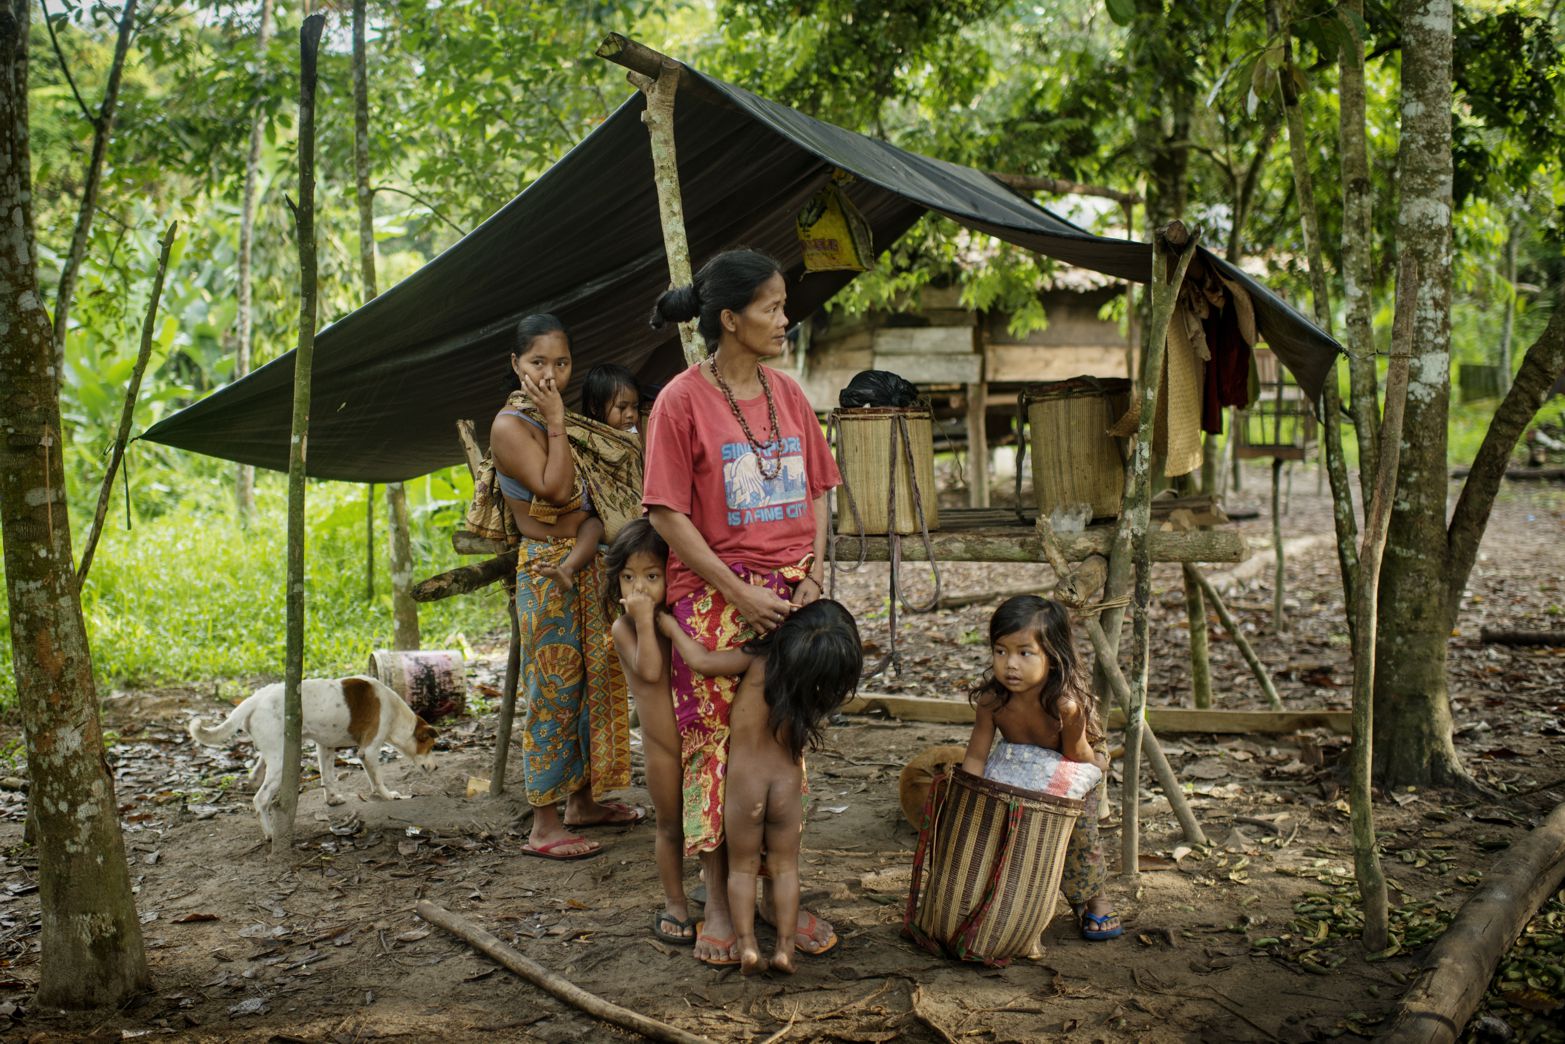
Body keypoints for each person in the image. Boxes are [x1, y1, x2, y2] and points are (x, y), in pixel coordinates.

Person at [641, 248, 842, 966]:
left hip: (791, 601)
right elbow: (665, 514)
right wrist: (736, 591)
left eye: (783, 306)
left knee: (782, 751)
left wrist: (813, 574)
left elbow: (818, 491)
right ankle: (721, 903)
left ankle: (779, 891)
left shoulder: (789, 393)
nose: (785, 320)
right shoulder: (679, 401)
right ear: (729, 319)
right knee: (715, 752)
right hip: (715, 599)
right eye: (771, 307)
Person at [490, 314, 642, 861]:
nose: (550, 374)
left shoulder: (562, 420)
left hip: (589, 566)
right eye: (538, 362)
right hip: (547, 571)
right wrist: (556, 420)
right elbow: (556, 490)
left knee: (593, 685)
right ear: (516, 364)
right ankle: (544, 824)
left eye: (561, 363)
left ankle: (583, 802)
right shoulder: (512, 426)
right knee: (553, 691)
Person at [661, 600, 862, 974]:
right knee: (785, 868)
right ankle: (785, 949)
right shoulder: (814, 683)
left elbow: (702, 661)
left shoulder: (761, 658)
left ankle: (748, 946)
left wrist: (670, 625)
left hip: (746, 787)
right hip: (787, 787)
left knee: (741, 869)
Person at [959, 595, 1122, 941]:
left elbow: (1077, 755)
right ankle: (1008, 898)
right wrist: (969, 799)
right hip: (1020, 765)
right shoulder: (992, 701)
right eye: (1000, 651)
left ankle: (1094, 898)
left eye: (1024, 653)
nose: (1010, 664)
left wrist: (1095, 763)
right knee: (999, 829)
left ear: (1053, 656)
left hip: (1076, 763)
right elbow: (976, 757)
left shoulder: (1064, 705)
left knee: (1079, 838)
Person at [603, 518, 695, 944]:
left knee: (712, 826)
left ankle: (716, 894)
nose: (639, 588)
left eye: (652, 577)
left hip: (701, 743)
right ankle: (675, 903)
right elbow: (652, 671)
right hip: (661, 751)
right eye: (628, 577)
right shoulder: (624, 628)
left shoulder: (685, 618)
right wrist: (643, 621)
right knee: (670, 827)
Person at [540, 364, 643, 593]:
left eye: (635, 407)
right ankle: (567, 569)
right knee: (592, 526)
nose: (630, 414)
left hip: (636, 517)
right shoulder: (584, 437)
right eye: (622, 407)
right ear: (596, 408)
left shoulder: (632, 437)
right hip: (604, 520)